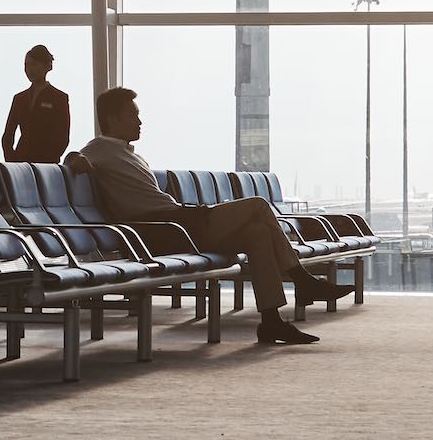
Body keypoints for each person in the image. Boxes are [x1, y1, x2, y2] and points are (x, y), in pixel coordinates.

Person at [71, 87, 351, 346]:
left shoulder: (131, 154)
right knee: (258, 205)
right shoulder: (99, 149)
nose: (140, 121)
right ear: (112, 119)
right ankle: (303, 281)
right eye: (132, 115)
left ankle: (271, 322)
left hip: (179, 222)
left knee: (259, 234)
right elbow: (72, 158)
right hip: (164, 229)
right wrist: (75, 160)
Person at [1, 44, 70, 164]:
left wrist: (49, 160)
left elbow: (62, 136)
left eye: (34, 64)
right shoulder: (19, 98)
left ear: (47, 67)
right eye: (26, 65)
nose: (29, 69)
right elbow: (8, 135)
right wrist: (12, 162)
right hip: (21, 161)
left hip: (46, 164)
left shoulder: (59, 98)